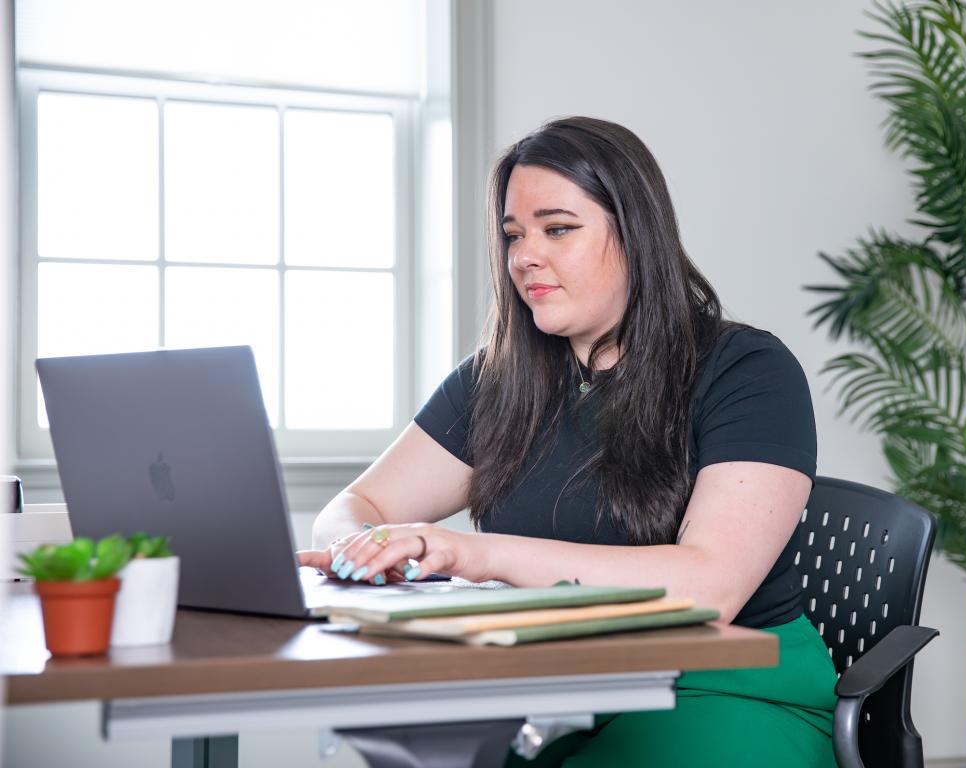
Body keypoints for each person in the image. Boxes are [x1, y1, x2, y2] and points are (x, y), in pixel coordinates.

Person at [297, 116, 838, 767]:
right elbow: (354, 510)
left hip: (725, 689)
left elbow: (709, 586)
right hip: (557, 690)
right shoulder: (496, 381)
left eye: (558, 229)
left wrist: (473, 554)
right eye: (513, 235)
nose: (525, 256)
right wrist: (369, 551)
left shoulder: (746, 370)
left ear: (635, 234)